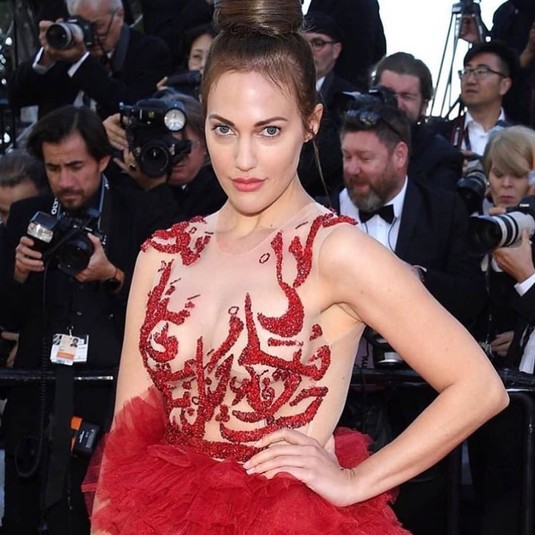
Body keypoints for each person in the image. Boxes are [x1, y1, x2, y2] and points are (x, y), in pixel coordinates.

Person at [85, 1, 508, 534]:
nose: (243, 159)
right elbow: (126, 439)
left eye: (268, 131)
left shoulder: (337, 252)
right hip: (158, 516)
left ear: (311, 124)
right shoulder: (162, 255)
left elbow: (479, 387)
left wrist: (356, 481)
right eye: (223, 129)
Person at [0, 105, 173, 533]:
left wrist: (112, 275)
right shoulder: (26, 215)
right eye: (53, 168)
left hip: (110, 395)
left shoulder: (141, 211)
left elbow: (168, 309)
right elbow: (7, 315)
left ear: (103, 160)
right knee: (24, 514)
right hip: (37, 395)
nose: (64, 181)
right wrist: (18, 274)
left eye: (75, 167)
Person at [466, 125, 535, 534]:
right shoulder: (477, 227)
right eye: (499, 173)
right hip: (489, 395)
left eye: (518, 175)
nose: (507, 184)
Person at [8, 0, 172, 120]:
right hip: (57, 148)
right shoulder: (64, 50)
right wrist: (46, 58)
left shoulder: (149, 50)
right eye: (82, 26)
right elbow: (16, 97)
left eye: (97, 26)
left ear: (120, 16)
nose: (90, 35)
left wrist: (81, 61)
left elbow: (132, 106)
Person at [104, 91, 227, 221]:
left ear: (206, 145)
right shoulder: (129, 177)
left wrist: (155, 188)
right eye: (164, 146)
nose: (174, 155)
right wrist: (101, 137)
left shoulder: (220, 190)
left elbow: (185, 231)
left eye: (183, 146)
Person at [372, 52, 463, 192]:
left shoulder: (441, 157)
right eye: (388, 93)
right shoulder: (346, 139)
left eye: (406, 96)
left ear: (424, 106)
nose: (397, 104)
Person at [437, 41, 518, 161]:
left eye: (481, 72)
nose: (470, 80)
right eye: (466, 71)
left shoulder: (523, 139)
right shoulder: (440, 135)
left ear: (504, 85)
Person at [306, 0, 386, 90]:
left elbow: (310, 28)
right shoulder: (370, 3)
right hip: (357, 84)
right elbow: (380, 50)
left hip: (324, 80)